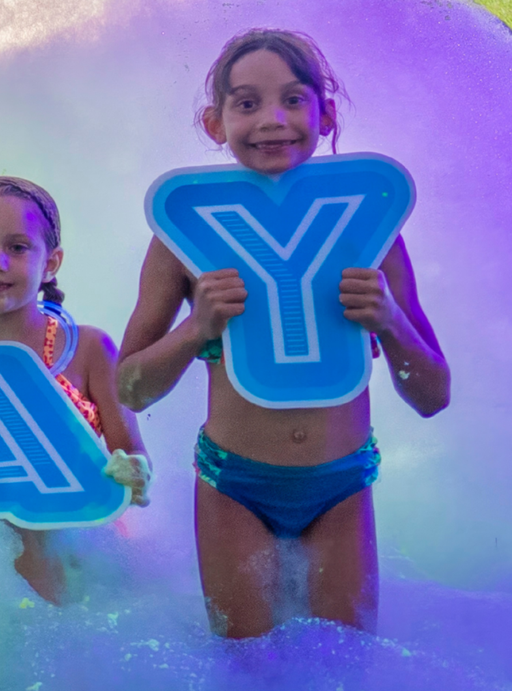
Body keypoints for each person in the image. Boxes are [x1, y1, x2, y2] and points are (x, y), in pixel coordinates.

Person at [118, 31, 448, 637]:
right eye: (246, 103)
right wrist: (197, 329)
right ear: (214, 123)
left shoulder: (369, 230)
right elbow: (132, 388)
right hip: (234, 486)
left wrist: (391, 323)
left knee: (342, 666)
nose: (272, 120)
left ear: (326, 115)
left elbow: (432, 396)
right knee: (247, 667)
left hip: (342, 486)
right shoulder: (185, 240)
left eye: (294, 100)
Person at [0, 177, 149, 604]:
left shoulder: (90, 349)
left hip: (82, 554)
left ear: (52, 261)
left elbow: (132, 456)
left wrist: (132, 474)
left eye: (18, 247)